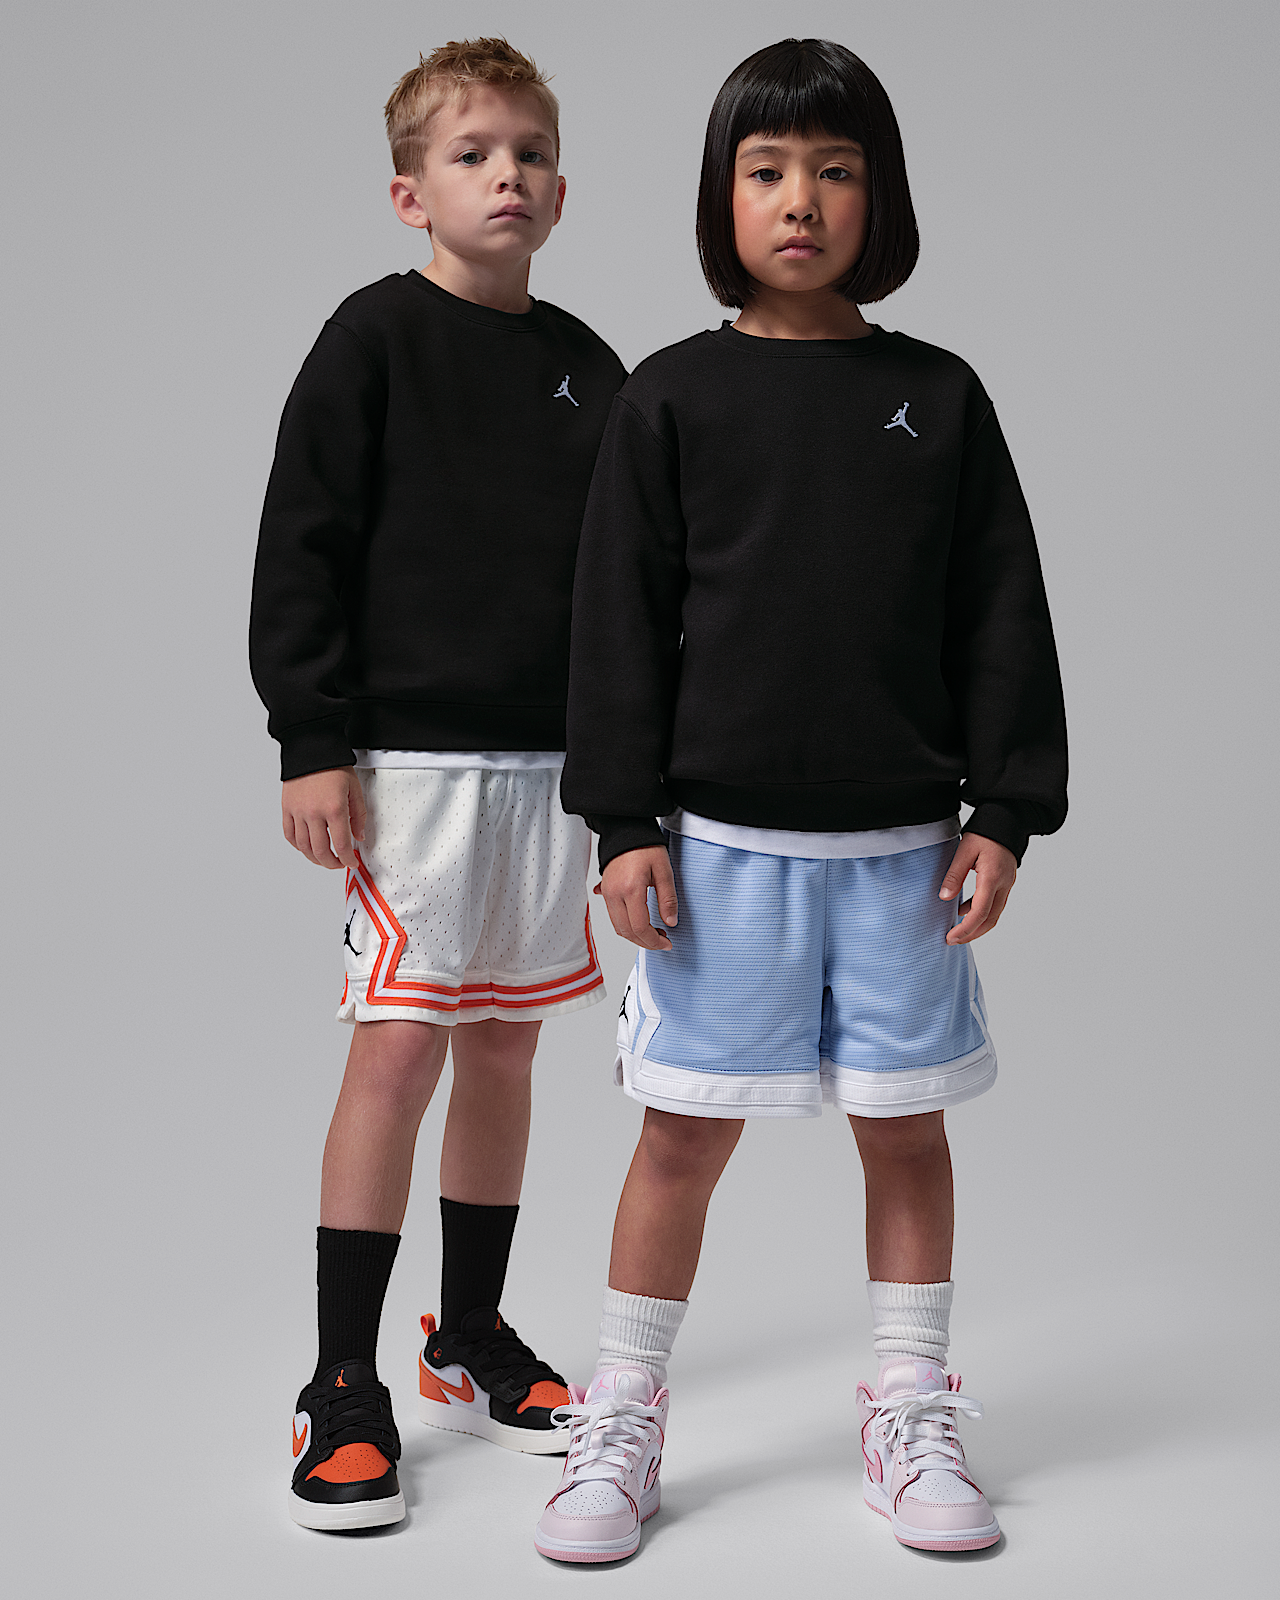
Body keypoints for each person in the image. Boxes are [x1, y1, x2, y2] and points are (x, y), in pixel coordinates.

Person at [535, 37, 1067, 1563]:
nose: (802, 200)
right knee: (681, 1138)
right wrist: (623, 823)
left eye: (836, 170)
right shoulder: (669, 397)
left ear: (879, 198)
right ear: (723, 196)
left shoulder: (939, 397)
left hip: (906, 854)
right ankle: (623, 1416)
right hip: (717, 855)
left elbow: (1000, 612)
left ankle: (911, 1409)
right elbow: (617, 622)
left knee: (904, 1131)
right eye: (768, 170)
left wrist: (1005, 810)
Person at [249, 37, 626, 1531]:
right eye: (473, 154)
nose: (507, 175)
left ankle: (466, 1335)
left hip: (552, 769)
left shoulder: (591, 370)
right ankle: (343, 1378)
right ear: (411, 192)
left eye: (531, 153)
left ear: (562, 191)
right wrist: (310, 737)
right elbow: (304, 540)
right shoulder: (372, 339)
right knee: (397, 1053)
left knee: (509, 1050)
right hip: (407, 765)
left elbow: (631, 583)